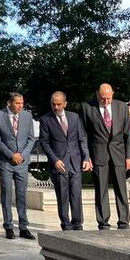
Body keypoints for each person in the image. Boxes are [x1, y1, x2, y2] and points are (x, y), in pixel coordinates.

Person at [82, 83, 130, 229]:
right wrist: (86, 156)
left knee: (121, 188)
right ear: (97, 94)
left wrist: (129, 157)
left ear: (113, 94)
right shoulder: (87, 107)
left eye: (108, 98)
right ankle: (103, 222)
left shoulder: (122, 107)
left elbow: (128, 134)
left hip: (118, 153)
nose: (105, 102)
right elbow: (84, 134)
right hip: (99, 154)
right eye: (103, 98)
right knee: (101, 189)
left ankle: (124, 221)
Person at [39, 91, 92, 231]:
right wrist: (54, 160)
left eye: (59, 104)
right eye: (53, 104)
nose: (56, 107)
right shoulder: (45, 120)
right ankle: (66, 224)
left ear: (65, 103)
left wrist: (86, 157)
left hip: (75, 163)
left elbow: (82, 138)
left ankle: (77, 224)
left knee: (76, 195)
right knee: (63, 197)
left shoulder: (74, 117)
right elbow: (44, 143)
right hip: (59, 164)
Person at [0, 92, 36, 240]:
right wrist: (11, 155)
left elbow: (31, 139)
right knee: (6, 194)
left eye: (22, 103)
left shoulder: (27, 116)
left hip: (22, 162)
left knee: (22, 195)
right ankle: (8, 226)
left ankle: (23, 227)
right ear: (9, 103)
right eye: (17, 103)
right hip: (5, 161)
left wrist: (22, 155)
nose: (20, 106)